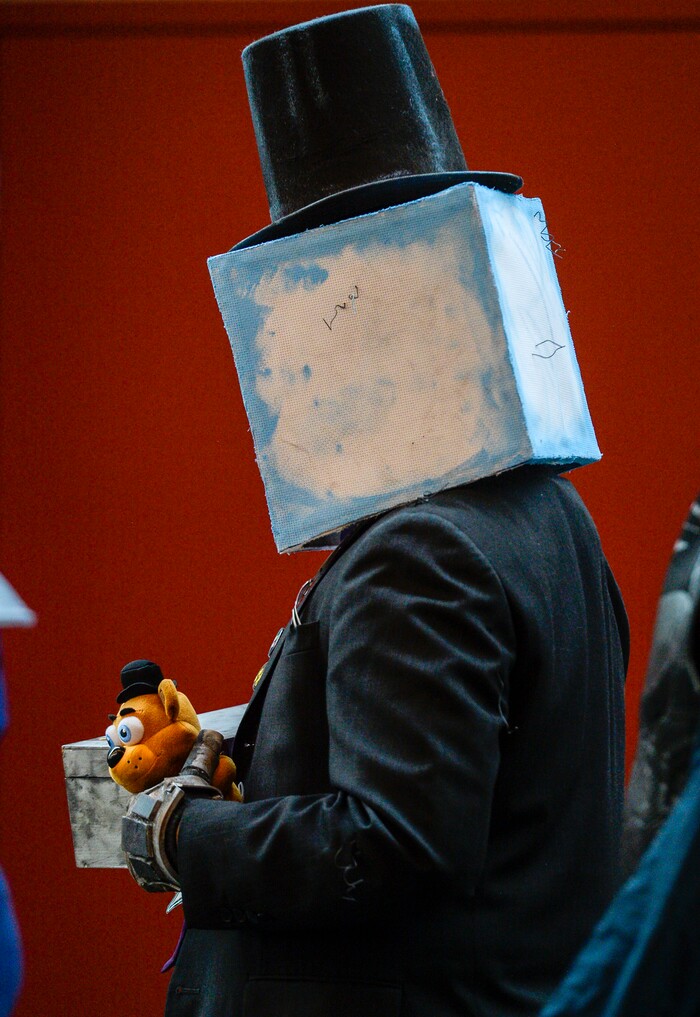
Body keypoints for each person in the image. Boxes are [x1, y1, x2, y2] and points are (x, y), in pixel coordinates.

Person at [121, 7, 629, 1016]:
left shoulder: (424, 546)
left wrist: (178, 834)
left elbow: (390, 846)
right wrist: (255, 753)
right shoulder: (549, 517)